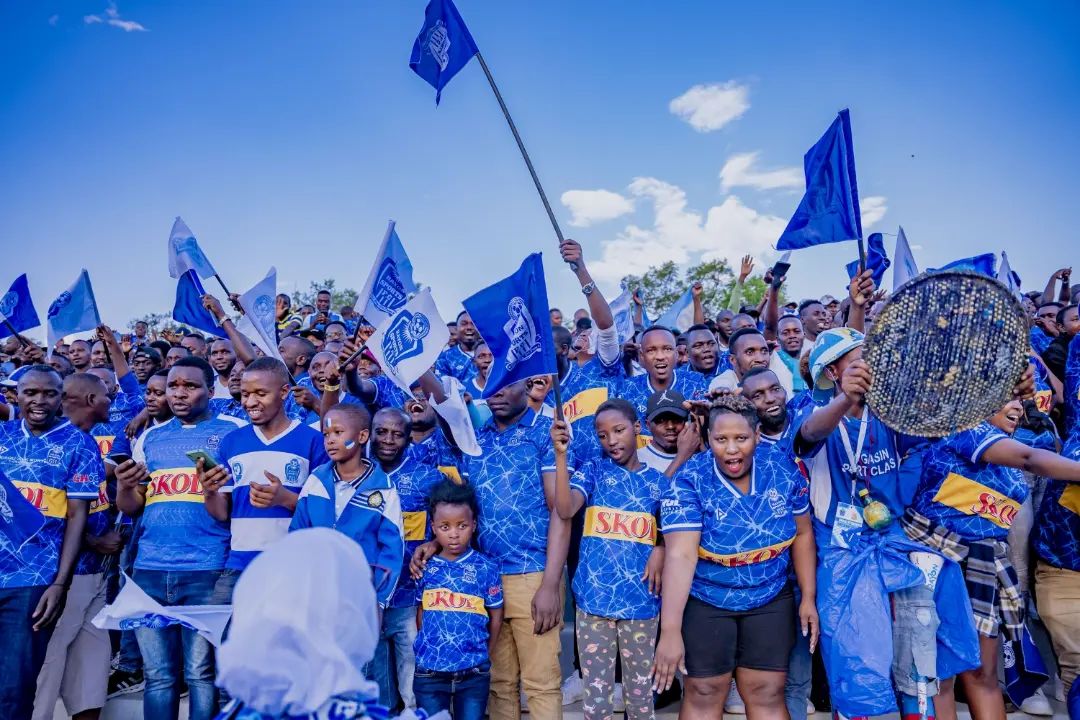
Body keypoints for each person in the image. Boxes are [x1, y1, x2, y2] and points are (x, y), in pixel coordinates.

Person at [903, 398, 1080, 720]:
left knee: (982, 674)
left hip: (984, 566)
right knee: (939, 675)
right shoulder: (965, 428)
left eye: (1020, 400)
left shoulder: (1006, 446)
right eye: (1006, 397)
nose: (1018, 408)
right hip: (939, 561)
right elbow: (1029, 459)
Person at [653, 394, 818, 720]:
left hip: (770, 596)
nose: (731, 449)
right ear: (708, 437)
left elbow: (803, 533)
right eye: (720, 439)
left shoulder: (782, 468)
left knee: (766, 692)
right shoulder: (689, 480)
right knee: (704, 691)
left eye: (741, 438)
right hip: (707, 599)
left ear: (757, 435)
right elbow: (681, 555)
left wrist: (808, 597)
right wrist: (670, 630)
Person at [411, 379, 568, 720]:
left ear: (527, 385)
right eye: (491, 385)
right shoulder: (476, 439)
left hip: (531, 575)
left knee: (541, 685)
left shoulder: (546, 434)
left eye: (506, 385)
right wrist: (436, 542)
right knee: (498, 684)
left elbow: (561, 511)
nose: (496, 393)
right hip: (480, 579)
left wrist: (550, 583)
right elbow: (463, 512)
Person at [114, 357, 247, 720]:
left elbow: (232, 507)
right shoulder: (150, 437)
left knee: (201, 674)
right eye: (173, 386)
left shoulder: (235, 432)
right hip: (149, 569)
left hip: (207, 568)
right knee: (158, 676)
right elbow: (133, 506)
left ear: (211, 390)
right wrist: (124, 486)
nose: (179, 393)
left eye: (190, 386)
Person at [551, 399, 666, 720]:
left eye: (618, 430)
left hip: (641, 604)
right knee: (596, 701)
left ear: (637, 428)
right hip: (593, 603)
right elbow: (565, 509)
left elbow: (670, 534)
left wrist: (661, 548)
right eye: (602, 435)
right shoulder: (593, 470)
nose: (611, 440)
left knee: (640, 699)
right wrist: (561, 456)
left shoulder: (658, 483)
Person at [0, 366, 99, 720]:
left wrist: (60, 583)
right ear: (16, 396)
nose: (39, 401)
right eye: (30, 393)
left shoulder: (79, 444)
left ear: (62, 398)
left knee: (14, 689)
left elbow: (76, 517)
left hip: (33, 579)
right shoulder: (3, 434)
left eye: (49, 393)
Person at [33, 373, 118, 720]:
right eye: (106, 395)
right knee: (46, 664)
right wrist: (93, 541)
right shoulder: (50, 444)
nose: (112, 401)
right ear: (91, 400)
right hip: (62, 578)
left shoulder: (86, 442)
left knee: (91, 673)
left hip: (96, 575)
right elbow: (44, 516)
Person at [201, 358, 328, 586]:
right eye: (245, 394)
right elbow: (221, 514)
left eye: (260, 393)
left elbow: (326, 512)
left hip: (294, 567)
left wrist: (285, 499)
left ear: (284, 392)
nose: (250, 402)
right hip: (239, 566)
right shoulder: (231, 442)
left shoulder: (313, 440)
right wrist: (209, 492)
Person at [290, 403, 405, 610]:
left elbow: (392, 551)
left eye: (338, 432)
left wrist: (379, 601)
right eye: (326, 434)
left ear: (362, 436)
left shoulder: (384, 489)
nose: (330, 440)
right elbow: (297, 535)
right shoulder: (316, 481)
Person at [368, 407, 444, 710]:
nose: (388, 440)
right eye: (381, 432)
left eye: (397, 434)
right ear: (369, 434)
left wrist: (435, 543)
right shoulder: (357, 474)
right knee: (378, 693)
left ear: (409, 438)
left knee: (413, 688)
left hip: (409, 598)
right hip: (368, 598)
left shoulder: (427, 477)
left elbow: (458, 516)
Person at [412, 480, 504, 720]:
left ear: (474, 525)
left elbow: (496, 616)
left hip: (473, 674)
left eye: (462, 526)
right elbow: (421, 612)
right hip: (430, 673)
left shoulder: (485, 567)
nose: (454, 534)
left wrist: (485, 654)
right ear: (433, 527)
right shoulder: (425, 567)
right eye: (445, 527)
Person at [622, 326, 707, 424]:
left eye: (667, 349)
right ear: (641, 355)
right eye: (651, 350)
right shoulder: (629, 388)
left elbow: (704, 421)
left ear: (676, 353)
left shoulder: (695, 381)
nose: (660, 356)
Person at [638, 390, 690, 474]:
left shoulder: (698, 458)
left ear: (687, 422)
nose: (670, 426)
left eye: (677, 419)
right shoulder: (637, 459)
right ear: (648, 425)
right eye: (661, 420)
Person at [434, 311, 480, 383]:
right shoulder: (445, 358)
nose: (469, 327)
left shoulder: (492, 353)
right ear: (457, 328)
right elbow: (441, 386)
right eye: (464, 324)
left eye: (473, 323)